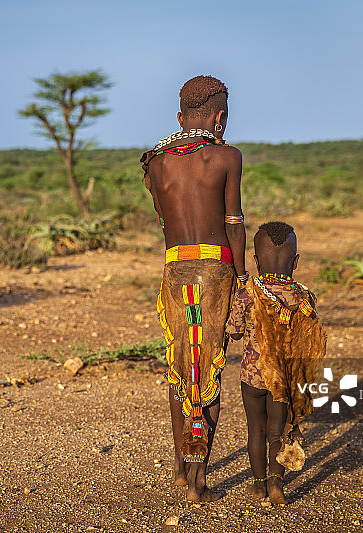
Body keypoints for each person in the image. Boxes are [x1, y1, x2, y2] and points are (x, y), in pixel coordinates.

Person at [142, 75, 247, 502]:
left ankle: (180, 470)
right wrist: (241, 281)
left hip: (175, 270)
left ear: (180, 118)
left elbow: (166, 222)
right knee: (210, 370)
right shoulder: (226, 157)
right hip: (216, 270)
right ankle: (199, 480)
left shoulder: (154, 162)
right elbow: (233, 223)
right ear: (220, 118)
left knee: (180, 364)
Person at [228, 221, 327, 505]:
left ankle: (258, 485)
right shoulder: (304, 297)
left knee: (255, 430)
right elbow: (311, 338)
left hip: (252, 376)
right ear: (295, 262)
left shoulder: (247, 294)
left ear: (256, 261)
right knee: (278, 431)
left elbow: (234, 333)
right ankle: (276, 484)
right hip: (284, 379)